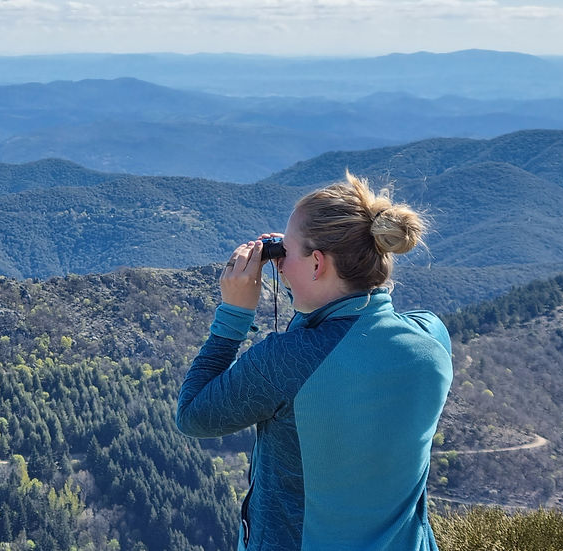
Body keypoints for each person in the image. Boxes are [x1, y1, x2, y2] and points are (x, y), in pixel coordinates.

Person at [176, 171, 453, 550]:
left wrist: (233, 315)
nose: (281, 265)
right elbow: (351, 327)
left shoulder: (285, 361)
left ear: (318, 264)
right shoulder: (431, 338)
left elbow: (193, 416)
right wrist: (298, 251)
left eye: (285, 255)